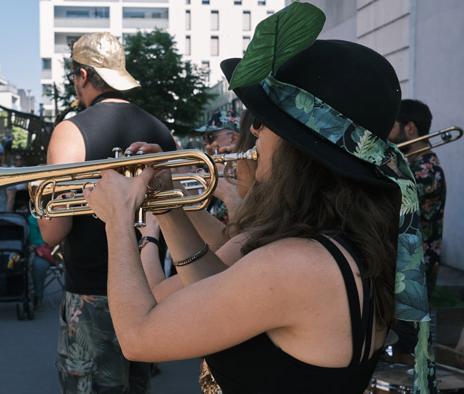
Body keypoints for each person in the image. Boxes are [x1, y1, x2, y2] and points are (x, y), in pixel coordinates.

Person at [81, 8, 434, 392]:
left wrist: (118, 220)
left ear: (298, 147)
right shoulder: (338, 247)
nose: (256, 132)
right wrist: (167, 206)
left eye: (267, 123)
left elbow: (138, 338)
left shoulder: (296, 263)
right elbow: (217, 293)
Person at [38, 32, 176, 393]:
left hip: (91, 294)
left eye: (73, 76)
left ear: (83, 76)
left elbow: (52, 233)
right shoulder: (160, 131)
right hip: (146, 292)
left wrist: (35, 196)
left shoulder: (70, 132)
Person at [388, 99, 447, 366]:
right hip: (403, 269)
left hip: (416, 275)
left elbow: (393, 202)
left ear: (410, 128)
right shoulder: (410, 164)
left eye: (393, 125)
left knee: (405, 351)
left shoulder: (427, 171)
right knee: (396, 343)